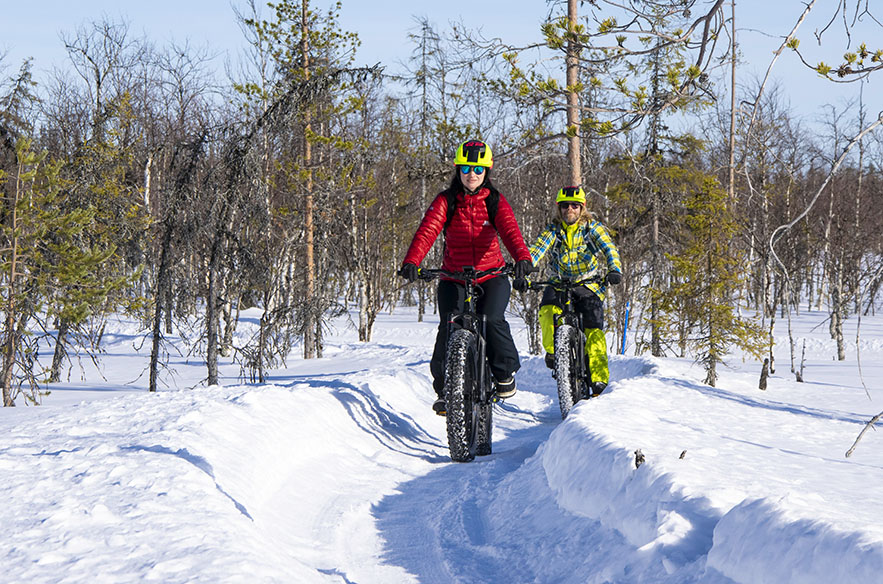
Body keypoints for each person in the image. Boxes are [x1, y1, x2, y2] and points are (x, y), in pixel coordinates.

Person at [398, 140, 533, 415]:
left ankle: (504, 372)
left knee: (492, 319)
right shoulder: (446, 201)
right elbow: (427, 231)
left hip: (491, 274)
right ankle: (447, 390)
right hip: (453, 276)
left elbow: (510, 230)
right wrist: (412, 261)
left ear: (487, 172)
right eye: (467, 168)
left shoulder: (494, 200)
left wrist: (522, 258)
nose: (472, 174)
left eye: (478, 169)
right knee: (449, 328)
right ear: (458, 170)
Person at [523, 186, 622, 396]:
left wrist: (614, 269)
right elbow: (537, 249)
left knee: (593, 330)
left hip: (588, 283)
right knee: (547, 310)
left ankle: (598, 380)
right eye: (565, 205)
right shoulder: (554, 230)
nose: (570, 209)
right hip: (559, 281)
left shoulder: (591, 228)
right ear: (559, 208)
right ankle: (553, 351)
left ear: (582, 208)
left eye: (575, 206)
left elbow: (609, 249)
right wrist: (524, 269)